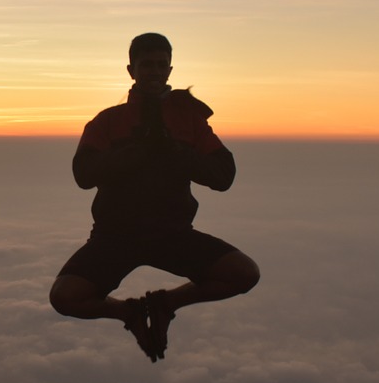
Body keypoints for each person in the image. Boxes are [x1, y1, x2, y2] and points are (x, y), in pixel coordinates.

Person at [49, 32, 260, 362]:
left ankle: (166, 304)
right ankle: (129, 314)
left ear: (170, 69)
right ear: (131, 70)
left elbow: (223, 176)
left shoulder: (189, 120)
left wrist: (175, 152)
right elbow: (83, 175)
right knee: (65, 298)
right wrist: (135, 152)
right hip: (115, 238)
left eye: (161, 65)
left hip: (173, 235)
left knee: (245, 274)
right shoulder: (107, 122)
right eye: (146, 65)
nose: (155, 71)